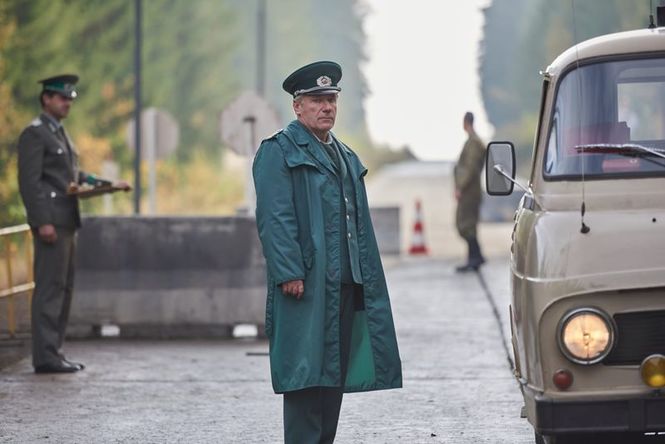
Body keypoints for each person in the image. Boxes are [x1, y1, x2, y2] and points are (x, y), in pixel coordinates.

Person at [252, 61, 402, 444]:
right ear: (297, 106)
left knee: (332, 376)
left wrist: (363, 277)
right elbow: (275, 217)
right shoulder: (278, 152)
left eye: (331, 99)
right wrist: (289, 272)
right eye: (317, 99)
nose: (327, 107)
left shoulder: (346, 156)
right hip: (306, 284)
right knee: (305, 375)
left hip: (344, 285)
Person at [17, 74, 129, 374]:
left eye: (70, 98)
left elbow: (75, 176)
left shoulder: (59, 134)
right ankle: (45, 357)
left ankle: (54, 352)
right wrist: (42, 222)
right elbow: (30, 183)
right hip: (52, 223)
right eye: (62, 98)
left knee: (63, 289)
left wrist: (108, 184)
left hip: (67, 220)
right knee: (50, 289)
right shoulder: (35, 133)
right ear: (46, 99)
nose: (67, 103)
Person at [454, 111, 486, 273]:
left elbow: (470, 168)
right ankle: (475, 256)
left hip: (469, 191)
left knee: (465, 225)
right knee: (467, 225)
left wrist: (460, 186)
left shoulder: (474, 142)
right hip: (470, 191)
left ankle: (475, 257)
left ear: (466, 122)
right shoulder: (473, 141)